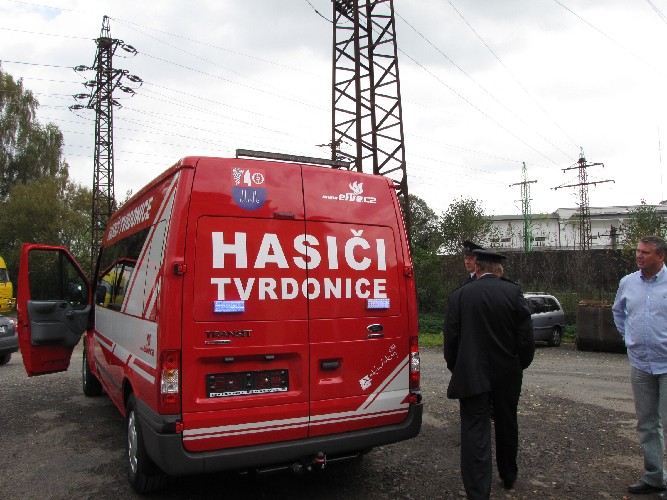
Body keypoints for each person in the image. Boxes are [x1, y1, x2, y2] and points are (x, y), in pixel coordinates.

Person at [444, 249, 535, 499]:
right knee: (507, 423)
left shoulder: (459, 296)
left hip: (471, 374)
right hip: (507, 373)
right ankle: (508, 474)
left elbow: (450, 342)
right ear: (500, 270)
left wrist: (458, 367)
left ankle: (477, 491)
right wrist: (519, 365)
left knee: (474, 430)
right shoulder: (513, 293)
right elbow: (525, 338)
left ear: (477, 268)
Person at [613, 235, 667, 496]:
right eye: (638, 251)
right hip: (641, 364)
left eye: (645, 252)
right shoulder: (628, 282)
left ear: (661, 256)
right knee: (646, 423)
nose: (639, 256)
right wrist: (628, 338)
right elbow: (618, 311)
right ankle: (654, 476)